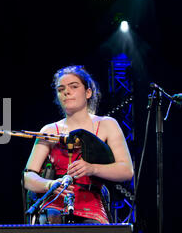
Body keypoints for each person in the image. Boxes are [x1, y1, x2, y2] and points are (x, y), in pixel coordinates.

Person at [24, 65, 134, 224]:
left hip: (92, 206)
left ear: (88, 92)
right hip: (54, 204)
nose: (66, 92)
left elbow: (126, 170)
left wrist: (93, 168)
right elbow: (28, 177)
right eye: (61, 89)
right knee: (49, 228)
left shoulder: (107, 124)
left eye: (73, 86)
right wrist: (49, 184)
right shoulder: (49, 130)